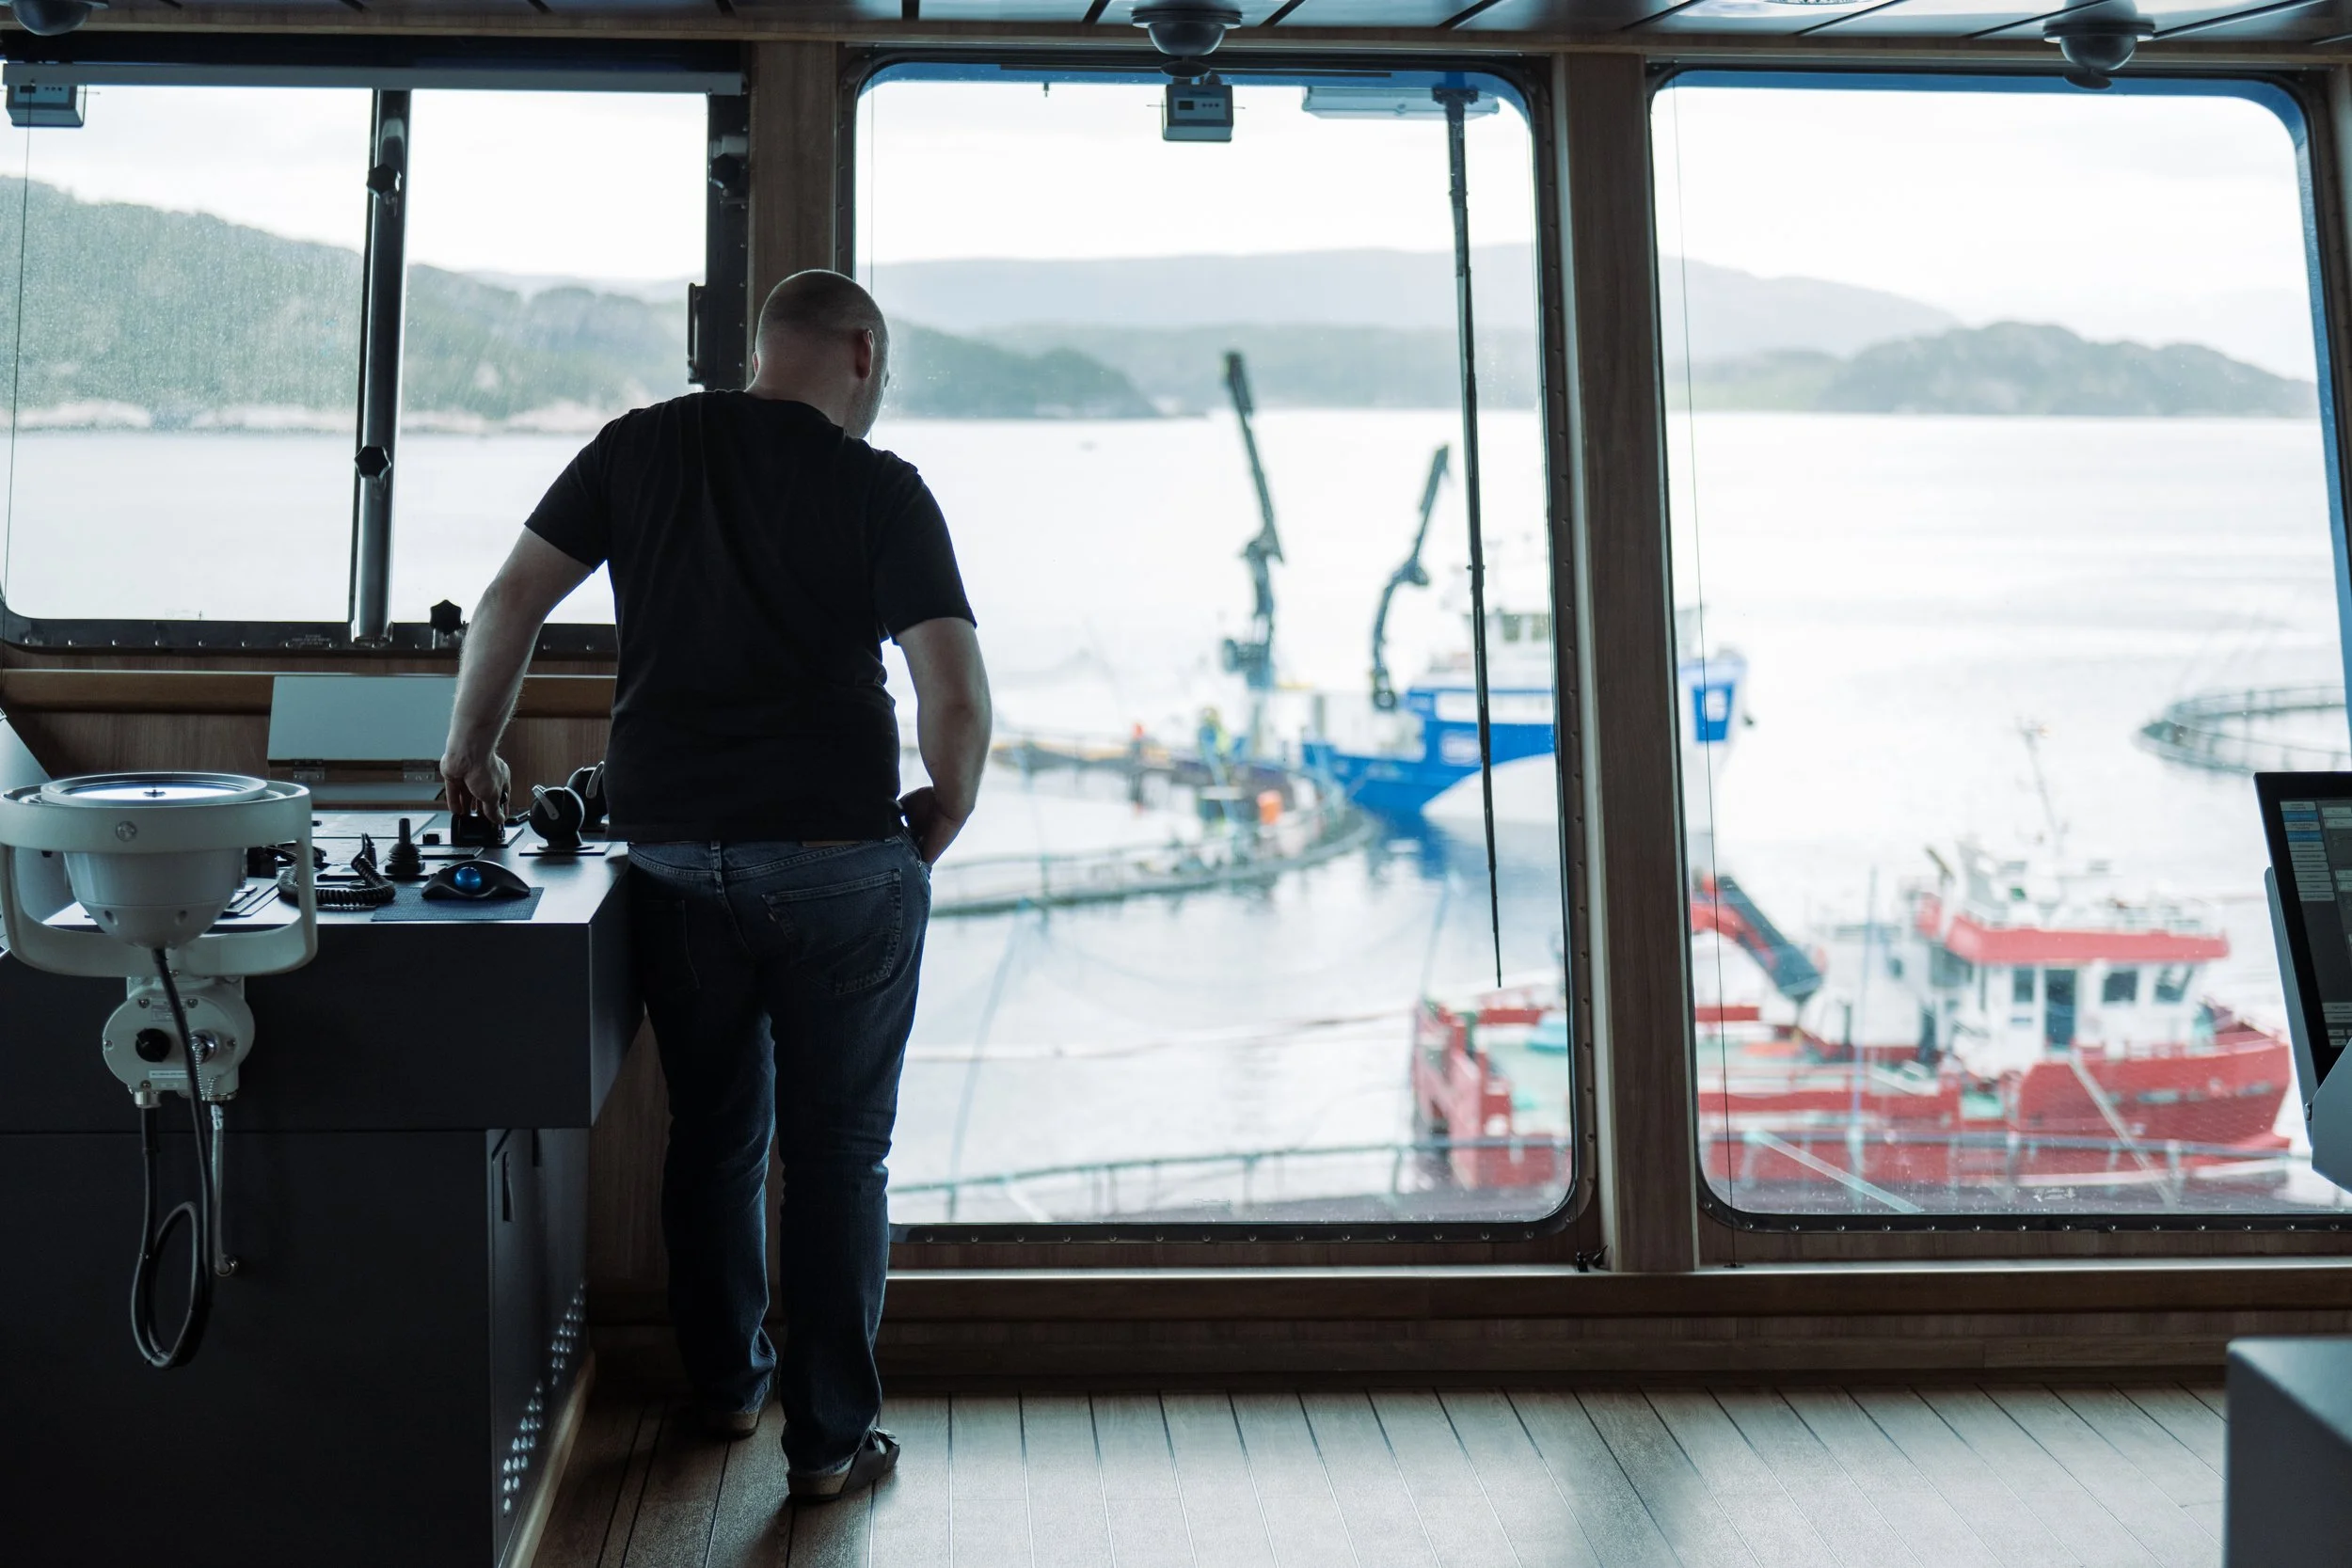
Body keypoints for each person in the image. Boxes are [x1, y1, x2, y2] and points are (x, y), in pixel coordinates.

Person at [438, 269, 990, 1506]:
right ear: (861, 352)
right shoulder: (881, 488)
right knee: (841, 1156)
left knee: (716, 1137)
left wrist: (470, 748)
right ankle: (831, 1444)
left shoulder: (638, 449)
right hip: (842, 863)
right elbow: (953, 692)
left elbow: (510, 600)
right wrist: (939, 812)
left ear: (760, 351)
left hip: (677, 857)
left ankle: (730, 1386)